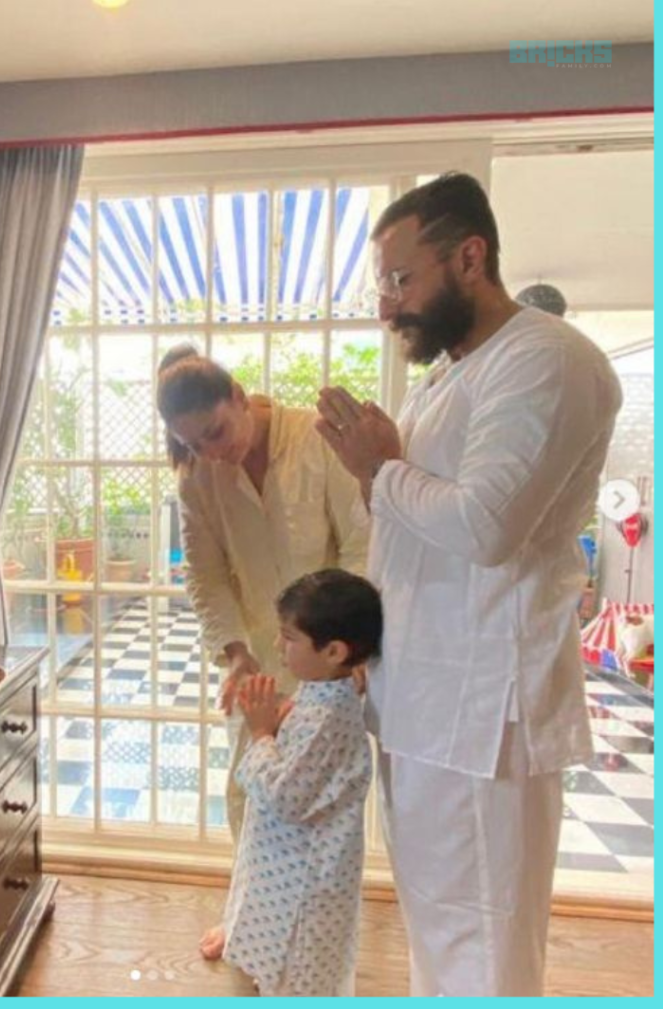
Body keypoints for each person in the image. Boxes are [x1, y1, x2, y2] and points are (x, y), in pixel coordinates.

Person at [315, 172, 623, 996]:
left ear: (470, 257)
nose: (386, 306)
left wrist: (380, 468)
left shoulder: (546, 360)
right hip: (424, 702)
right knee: (441, 931)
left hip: (483, 715)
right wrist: (374, 476)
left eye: (399, 278)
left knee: (484, 948)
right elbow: (414, 526)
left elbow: (488, 527)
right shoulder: (450, 375)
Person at [156, 346, 370, 958]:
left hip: (332, 657)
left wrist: (347, 654)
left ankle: (311, 928)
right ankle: (247, 915)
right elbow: (206, 575)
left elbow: (361, 543)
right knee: (249, 788)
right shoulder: (198, 477)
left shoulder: (315, 439)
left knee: (320, 799)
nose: (211, 451)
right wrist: (235, 655)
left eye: (216, 431)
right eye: (193, 442)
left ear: (242, 397)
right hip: (256, 654)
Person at [222, 568, 380, 996]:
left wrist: (261, 733)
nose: (278, 646)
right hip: (289, 874)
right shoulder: (325, 694)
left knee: (298, 977)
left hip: (302, 885)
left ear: (333, 651)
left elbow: (286, 797)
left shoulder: (325, 717)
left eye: (289, 637)